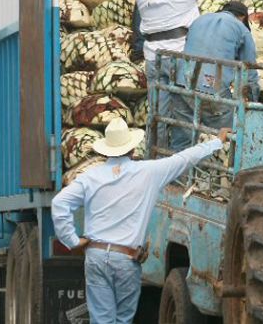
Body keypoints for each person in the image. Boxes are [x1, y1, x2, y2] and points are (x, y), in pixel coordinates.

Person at [51, 118, 231, 324]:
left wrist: (72, 240)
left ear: (105, 152)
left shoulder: (90, 177)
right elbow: (185, 159)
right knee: (122, 320)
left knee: (101, 320)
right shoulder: (149, 172)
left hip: (97, 255)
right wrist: (217, 141)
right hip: (126, 258)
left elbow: (59, 203)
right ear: (132, 150)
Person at [134, 0, 214, 148]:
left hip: (154, 57)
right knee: (185, 115)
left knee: (157, 114)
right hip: (180, 55)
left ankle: (154, 160)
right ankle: (180, 169)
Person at [171, 1, 260, 151]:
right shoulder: (242, 29)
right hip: (211, 87)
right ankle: (220, 171)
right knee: (225, 139)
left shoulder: (199, 20)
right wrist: (252, 101)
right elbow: (249, 71)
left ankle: (179, 173)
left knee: (182, 142)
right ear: (243, 17)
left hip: (181, 82)